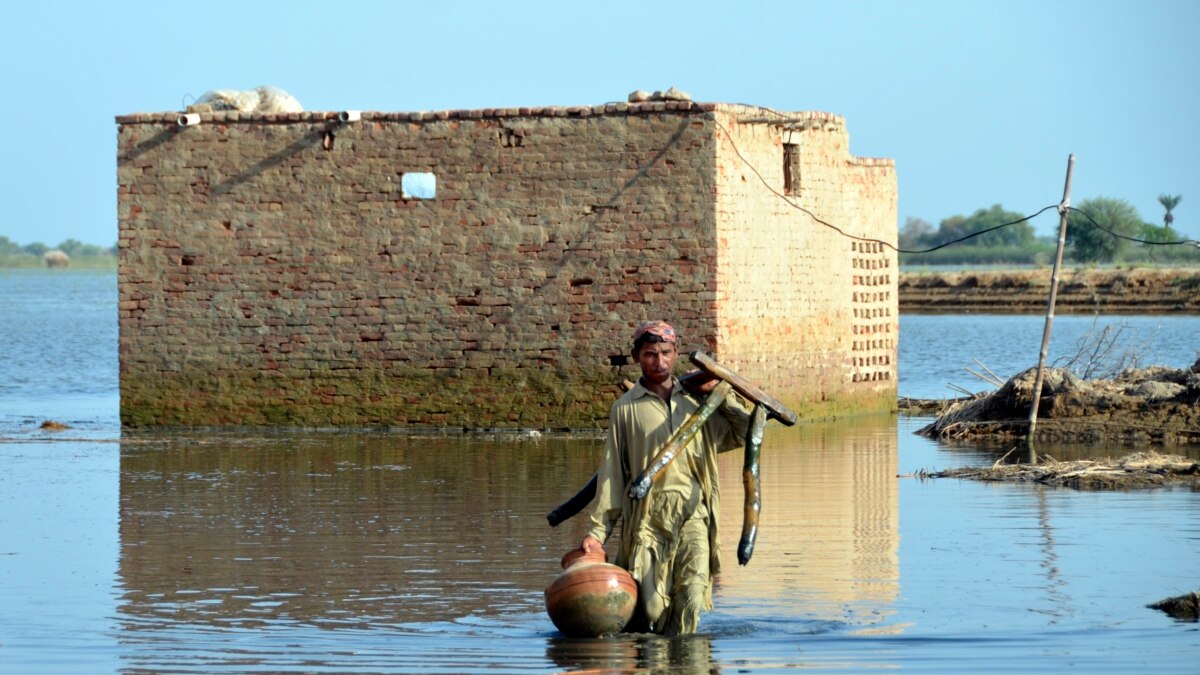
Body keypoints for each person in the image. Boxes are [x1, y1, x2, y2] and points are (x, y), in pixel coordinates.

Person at [580, 320, 749, 635]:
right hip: (647, 519)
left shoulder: (697, 402)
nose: (659, 362)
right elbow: (613, 474)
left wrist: (723, 395)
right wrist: (597, 533)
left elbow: (743, 434)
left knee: (691, 595)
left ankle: (688, 663)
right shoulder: (626, 409)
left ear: (677, 353)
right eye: (650, 355)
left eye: (666, 353)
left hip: (695, 512)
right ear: (636, 357)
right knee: (651, 610)